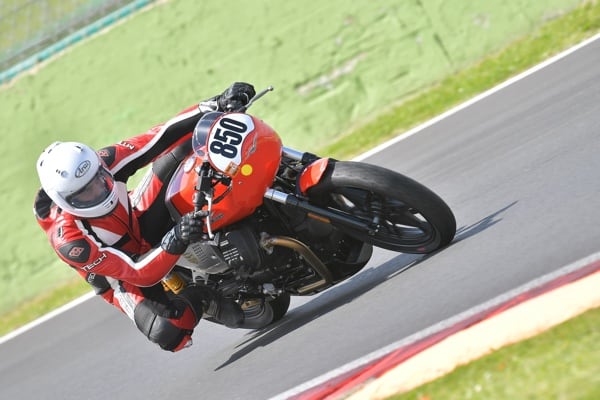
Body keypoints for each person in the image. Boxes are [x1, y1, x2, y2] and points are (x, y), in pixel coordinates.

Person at [33, 82, 256, 352]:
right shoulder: (71, 241)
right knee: (166, 332)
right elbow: (138, 273)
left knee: (184, 145)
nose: (98, 191)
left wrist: (215, 104)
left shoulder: (106, 160)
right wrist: (177, 238)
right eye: (85, 194)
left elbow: (157, 138)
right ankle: (204, 298)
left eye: (99, 179)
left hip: (137, 219)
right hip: (124, 275)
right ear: (65, 202)